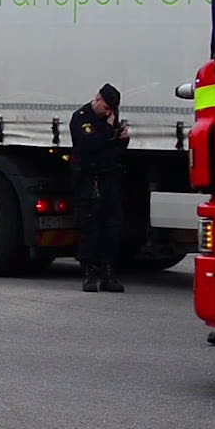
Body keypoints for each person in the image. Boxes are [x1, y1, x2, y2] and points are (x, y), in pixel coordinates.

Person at [70, 83, 129, 293]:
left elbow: (115, 148)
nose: (108, 113)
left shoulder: (109, 120)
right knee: (89, 227)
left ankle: (109, 273)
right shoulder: (81, 117)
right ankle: (89, 273)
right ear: (97, 100)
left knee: (112, 228)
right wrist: (110, 131)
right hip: (89, 179)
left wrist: (122, 138)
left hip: (109, 178)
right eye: (106, 108)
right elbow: (89, 144)